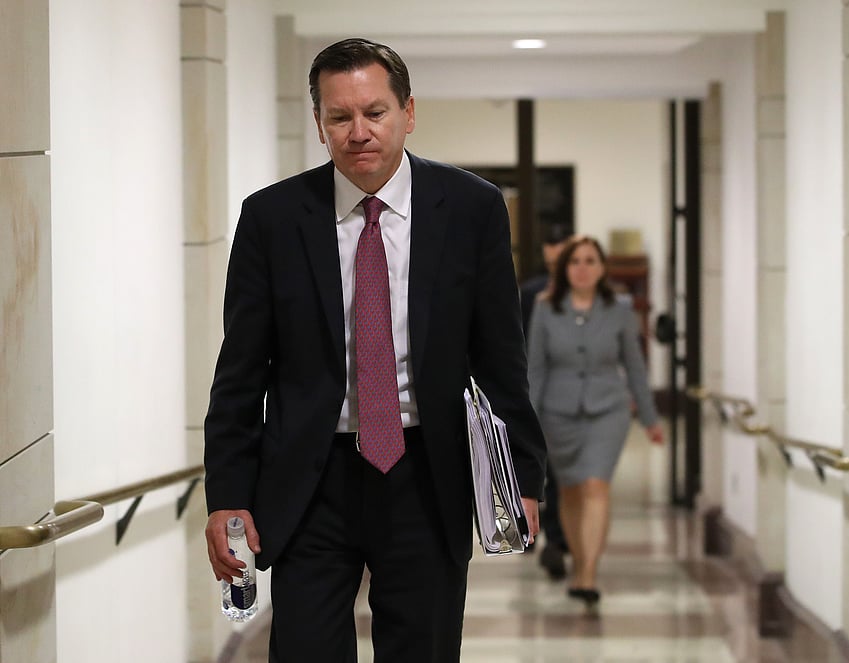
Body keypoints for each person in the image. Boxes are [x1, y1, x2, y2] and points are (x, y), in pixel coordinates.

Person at [202, 38, 546, 662]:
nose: (358, 132)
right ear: (319, 124)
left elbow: (501, 356)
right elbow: (241, 371)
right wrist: (228, 492)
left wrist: (520, 474)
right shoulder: (272, 218)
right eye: (340, 116)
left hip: (427, 472)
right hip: (310, 481)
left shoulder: (471, 208)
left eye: (375, 112)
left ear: (408, 113)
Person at [526, 234, 663, 607]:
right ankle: (579, 561)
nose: (582, 269)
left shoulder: (619, 309)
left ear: (603, 268)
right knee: (570, 490)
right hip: (557, 413)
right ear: (564, 268)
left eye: (590, 261)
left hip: (608, 411)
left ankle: (588, 574)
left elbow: (634, 366)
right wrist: (528, 424)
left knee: (596, 486)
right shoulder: (546, 308)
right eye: (575, 261)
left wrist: (650, 417)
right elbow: (536, 368)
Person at [519, 224, 570, 580]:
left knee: (561, 472)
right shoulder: (531, 293)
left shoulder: (583, 295)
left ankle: (557, 538)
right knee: (538, 463)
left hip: (567, 395)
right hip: (534, 389)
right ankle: (531, 529)